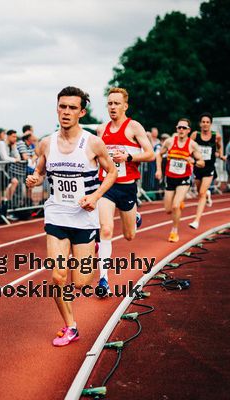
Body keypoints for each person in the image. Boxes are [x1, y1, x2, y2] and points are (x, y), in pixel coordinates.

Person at [26, 86, 117, 347]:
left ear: (82, 112)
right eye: (62, 106)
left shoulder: (92, 143)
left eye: (72, 108)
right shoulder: (47, 143)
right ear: (57, 108)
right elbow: (40, 171)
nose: (66, 112)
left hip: (84, 218)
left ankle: (95, 247)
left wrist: (96, 197)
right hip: (56, 215)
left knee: (81, 282)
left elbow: (112, 173)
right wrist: (35, 179)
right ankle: (70, 326)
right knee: (57, 277)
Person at [95, 87, 154, 293]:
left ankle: (135, 216)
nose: (112, 107)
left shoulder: (134, 127)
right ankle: (103, 280)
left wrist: (128, 157)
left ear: (125, 106)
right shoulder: (101, 130)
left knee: (129, 235)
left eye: (116, 103)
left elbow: (150, 154)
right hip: (107, 186)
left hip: (127, 187)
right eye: (110, 103)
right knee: (106, 230)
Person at [155, 118, 204, 242]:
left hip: (184, 179)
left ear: (188, 130)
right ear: (176, 129)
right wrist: (159, 170)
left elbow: (202, 162)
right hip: (170, 178)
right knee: (168, 209)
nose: (181, 130)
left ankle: (174, 231)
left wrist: (194, 161)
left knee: (176, 206)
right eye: (179, 127)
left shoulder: (192, 145)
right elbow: (159, 155)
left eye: (184, 128)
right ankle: (179, 203)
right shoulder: (169, 142)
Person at [188, 112, 225, 229]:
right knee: (200, 191)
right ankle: (208, 194)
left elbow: (220, 145)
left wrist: (221, 154)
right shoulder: (195, 135)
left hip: (209, 167)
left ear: (211, 124)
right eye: (203, 122)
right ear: (200, 124)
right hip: (197, 166)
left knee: (201, 194)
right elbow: (188, 146)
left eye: (207, 122)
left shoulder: (216, 136)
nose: (205, 124)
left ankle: (196, 220)